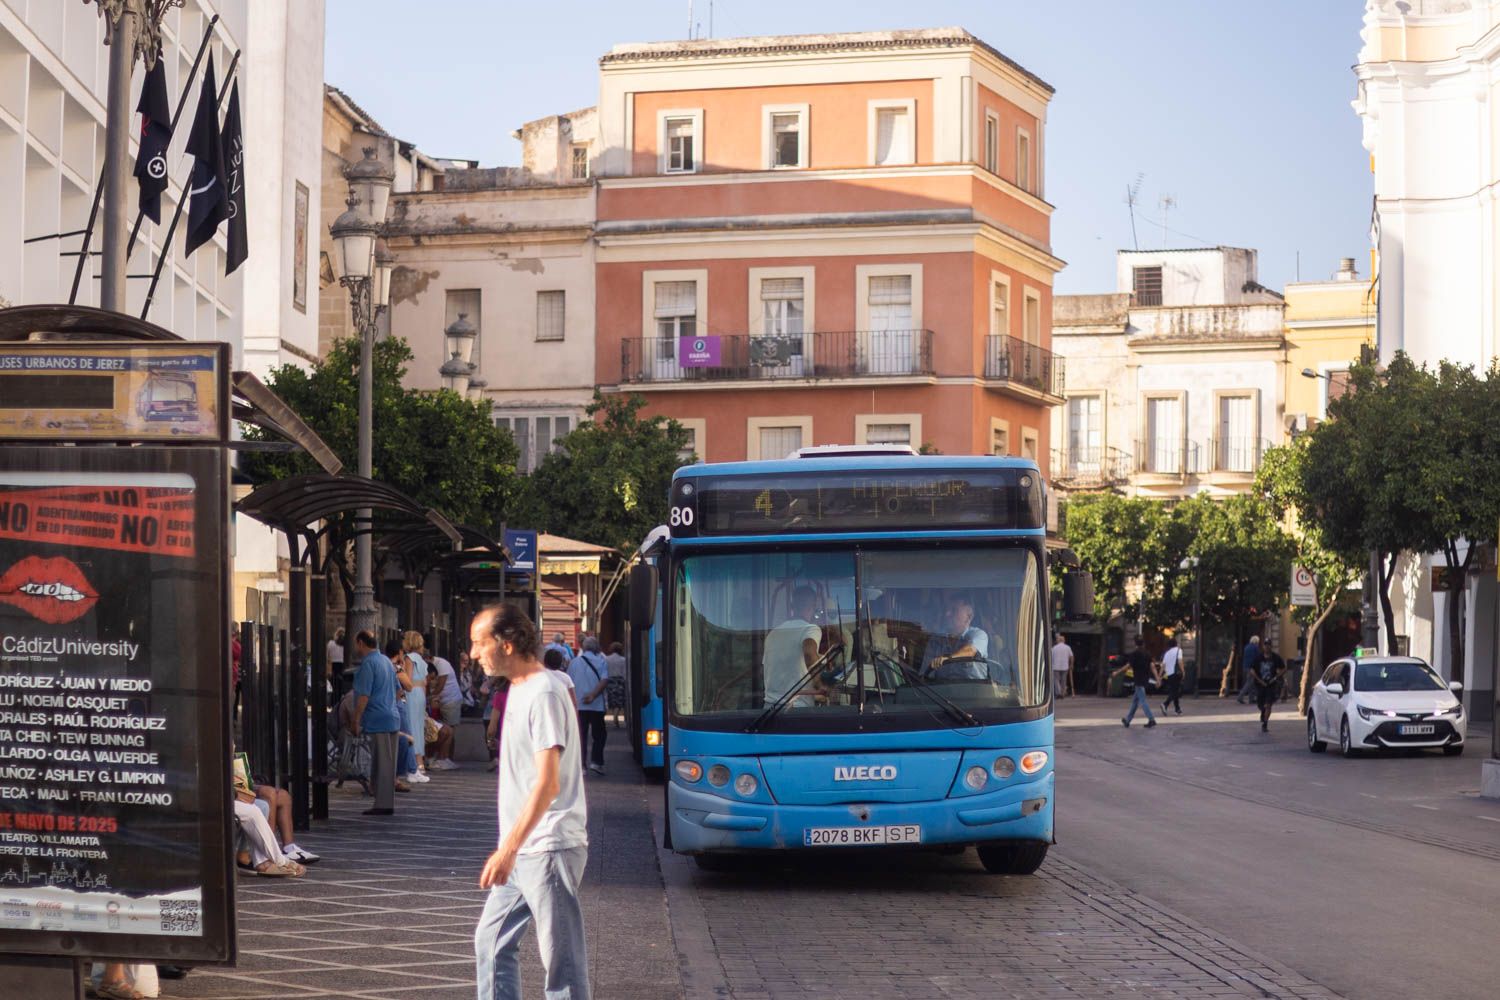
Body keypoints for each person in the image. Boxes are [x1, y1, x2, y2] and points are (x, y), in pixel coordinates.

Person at [470, 603, 591, 1000]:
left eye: (479, 643)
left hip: (549, 846)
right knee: (491, 942)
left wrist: (507, 850)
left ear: (506, 644)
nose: (473, 653)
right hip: (526, 849)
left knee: (563, 965)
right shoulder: (519, 689)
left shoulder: (544, 692)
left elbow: (548, 783)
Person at [351, 631, 402, 815]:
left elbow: (363, 695)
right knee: (389, 762)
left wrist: (356, 719)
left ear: (361, 643)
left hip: (377, 718)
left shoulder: (368, 664)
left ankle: (383, 803)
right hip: (392, 716)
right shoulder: (387, 661)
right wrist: (389, 704)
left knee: (381, 762)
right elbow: (399, 690)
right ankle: (385, 801)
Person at [762, 586, 825, 707]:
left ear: (792, 607)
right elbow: (809, 652)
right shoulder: (810, 629)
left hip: (769, 710)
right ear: (813, 607)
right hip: (796, 710)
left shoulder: (772, 634)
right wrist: (820, 684)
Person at [568, 638, 610, 775]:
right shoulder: (602, 661)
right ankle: (596, 762)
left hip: (579, 706)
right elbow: (604, 680)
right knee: (599, 735)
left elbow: (569, 683)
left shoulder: (574, 663)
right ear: (596, 647)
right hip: (596, 705)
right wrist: (593, 695)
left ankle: (581, 766)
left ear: (584, 647)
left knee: (581, 736)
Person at [921, 594, 989, 677]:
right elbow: (925, 673)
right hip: (939, 689)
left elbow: (970, 650)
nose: (947, 614)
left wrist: (948, 659)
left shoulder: (979, 635)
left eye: (954, 610)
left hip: (975, 688)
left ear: (969, 616)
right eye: (947, 610)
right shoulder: (936, 640)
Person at [1113, 635, 1160, 729]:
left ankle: (1151, 719)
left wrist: (1117, 672)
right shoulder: (1147, 654)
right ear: (1143, 643)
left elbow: (1128, 666)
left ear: (1135, 643)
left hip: (1138, 680)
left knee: (1143, 701)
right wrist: (1157, 678)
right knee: (1135, 701)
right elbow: (1152, 666)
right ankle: (1127, 720)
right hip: (1145, 679)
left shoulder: (1134, 654)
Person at [403, 630, 432, 775]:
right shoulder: (421, 660)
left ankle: (415, 762)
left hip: (411, 694)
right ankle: (420, 762)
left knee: (411, 726)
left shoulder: (409, 658)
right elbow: (425, 683)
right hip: (421, 694)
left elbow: (407, 679)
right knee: (419, 726)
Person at [1254, 646, 1287, 732]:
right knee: (1260, 704)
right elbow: (1252, 669)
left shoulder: (1275, 657)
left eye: (1268, 645)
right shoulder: (1259, 657)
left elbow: (1284, 668)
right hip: (1260, 685)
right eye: (1265, 645)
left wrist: (1276, 677)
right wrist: (1259, 680)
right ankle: (1263, 711)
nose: (1267, 647)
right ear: (1263, 647)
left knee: (1268, 704)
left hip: (1271, 685)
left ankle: (1265, 723)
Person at [605, 641, 627, 728]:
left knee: (611, 699)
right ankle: (616, 715)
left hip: (609, 680)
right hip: (619, 681)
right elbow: (624, 672)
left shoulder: (606, 659)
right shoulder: (623, 660)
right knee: (619, 700)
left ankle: (614, 714)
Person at [1160, 637, 1185, 716]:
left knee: (1174, 690)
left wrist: (1159, 675)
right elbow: (1180, 661)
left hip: (1169, 675)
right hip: (1176, 673)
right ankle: (1165, 704)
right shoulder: (1179, 650)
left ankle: (1177, 709)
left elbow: (1163, 665)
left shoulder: (1167, 653)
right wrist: (1183, 671)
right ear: (1176, 643)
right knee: (1175, 691)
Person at [1237, 635, 1263, 704]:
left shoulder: (1246, 647)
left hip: (1245, 667)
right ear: (1256, 641)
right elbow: (1258, 657)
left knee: (1252, 683)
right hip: (1251, 668)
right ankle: (1240, 696)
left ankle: (1251, 699)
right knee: (1249, 683)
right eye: (1258, 642)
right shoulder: (1255, 648)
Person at [1050, 633, 1073, 699]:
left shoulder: (1054, 648)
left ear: (1058, 640)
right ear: (1063, 640)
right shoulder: (1068, 647)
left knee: (1056, 680)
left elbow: (1051, 656)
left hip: (1055, 666)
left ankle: (1058, 692)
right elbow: (1071, 656)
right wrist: (1071, 664)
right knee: (1063, 680)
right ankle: (1062, 693)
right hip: (1064, 666)